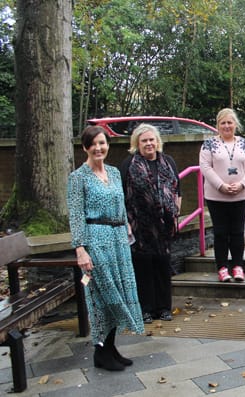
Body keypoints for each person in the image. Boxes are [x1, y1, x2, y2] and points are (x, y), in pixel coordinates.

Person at [67, 126, 144, 371]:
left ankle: (111, 348)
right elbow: (76, 216)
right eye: (93, 144)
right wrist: (80, 249)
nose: (99, 148)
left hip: (118, 241)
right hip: (95, 240)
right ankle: (100, 352)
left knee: (119, 294)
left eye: (102, 143)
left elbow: (120, 202)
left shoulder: (113, 172)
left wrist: (126, 226)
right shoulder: (77, 177)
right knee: (101, 296)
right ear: (85, 148)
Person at [120, 124, 181, 324]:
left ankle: (164, 308)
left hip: (163, 225)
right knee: (143, 267)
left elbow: (176, 190)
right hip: (140, 224)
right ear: (137, 143)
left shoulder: (168, 161)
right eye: (144, 140)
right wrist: (126, 223)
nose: (149, 144)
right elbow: (121, 195)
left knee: (163, 265)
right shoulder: (129, 164)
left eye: (151, 139)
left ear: (157, 141)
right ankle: (146, 309)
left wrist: (175, 213)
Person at [199, 108, 245, 282]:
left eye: (230, 122)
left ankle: (238, 266)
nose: (226, 126)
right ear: (217, 125)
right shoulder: (209, 144)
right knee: (221, 232)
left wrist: (242, 183)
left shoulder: (244, 143)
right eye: (223, 123)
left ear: (235, 124)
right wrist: (220, 185)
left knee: (238, 231)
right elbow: (205, 166)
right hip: (216, 196)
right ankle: (222, 267)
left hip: (240, 195)